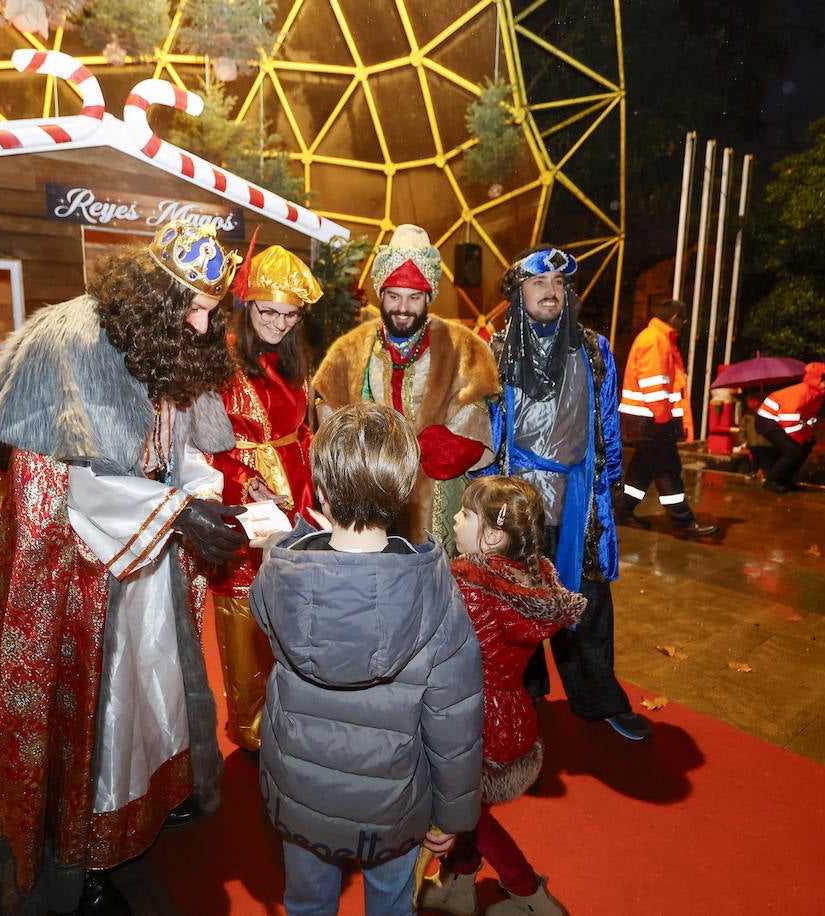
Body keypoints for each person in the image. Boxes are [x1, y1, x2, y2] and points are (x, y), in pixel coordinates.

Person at [0, 220, 249, 915]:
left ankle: (147, 807)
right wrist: (177, 515)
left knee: (152, 700)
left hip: (145, 569)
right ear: (151, 291)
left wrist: (202, 494)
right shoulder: (70, 344)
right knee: (92, 725)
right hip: (80, 579)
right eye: (191, 303)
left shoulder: (173, 343)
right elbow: (61, 487)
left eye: (214, 308)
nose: (204, 324)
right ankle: (73, 856)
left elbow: (176, 448)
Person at [252, 402, 484, 916]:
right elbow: (455, 720)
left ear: (323, 492)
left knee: (307, 903)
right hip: (393, 805)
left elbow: (264, 602)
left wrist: (292, 539)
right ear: (403, 491)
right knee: (392, 903)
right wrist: (452, 815)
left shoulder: (279, 576)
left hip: (302, 794)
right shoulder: (436, 593)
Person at [485, 245, 653, 742]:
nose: (551, 292)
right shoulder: (496, 351)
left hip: (578, 496)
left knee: (588, 602)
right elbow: (489, 429)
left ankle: (599, 699)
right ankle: (526, 694)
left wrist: (612, 490)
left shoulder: (595, 350)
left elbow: (606, 427)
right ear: (519, 293)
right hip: (516, 497)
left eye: (559, 285)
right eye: (540, 284)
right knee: (518, 599)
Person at [420, 476, 585, 916]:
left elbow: (450, 658)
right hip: (510, 713)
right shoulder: (530, 580)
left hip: (470, 719)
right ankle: (458, 884)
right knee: (472, 806)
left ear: (492, 536)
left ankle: (528, 892)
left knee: (466, 812)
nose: (455, 517)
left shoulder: (468, 583)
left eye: (465, 514)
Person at [313, 224, 500, 549]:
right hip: (367, 496)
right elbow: (330, 425)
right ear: (381, 296)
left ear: (429, 297)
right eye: (394, 296)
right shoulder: (350, 350)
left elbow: (472, 436)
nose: (403, 308)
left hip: (436, 500)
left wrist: (409, 450)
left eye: (414, 298)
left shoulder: (462, 348)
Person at [208, 244, 321, 754]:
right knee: (243, 609)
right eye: (267, 312)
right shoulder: (222, 363)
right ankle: (250, 725)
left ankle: (292, 711)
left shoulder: (296, 362)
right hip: (245, 506)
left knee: (294, 611)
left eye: (289, 315)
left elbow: (301, 434)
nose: (278, 323)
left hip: (296, 499)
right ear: (247, 307)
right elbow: (202, 448)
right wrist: (245, 482)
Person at [615, 299, 718, 537]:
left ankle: (622, 511)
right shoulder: (657, 340)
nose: (683, 324)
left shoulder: (653, 338)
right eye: (682, 320)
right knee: (667, 469)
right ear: (674, 318)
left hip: (644, 419)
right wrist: (663, 419)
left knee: (642, 470)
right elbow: (654, 383)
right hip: (652, 419)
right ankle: (683, 522)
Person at [755, 361, 825, 494]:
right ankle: (771, 481)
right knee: (793, 451)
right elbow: (789, 419)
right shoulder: (802, 392)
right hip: (768, 420)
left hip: (779, 421)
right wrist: (800, 438)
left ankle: (785, 481)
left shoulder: (817, 395)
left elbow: (807, 417)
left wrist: (807, 437)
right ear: (817, 380)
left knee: (803, 448)